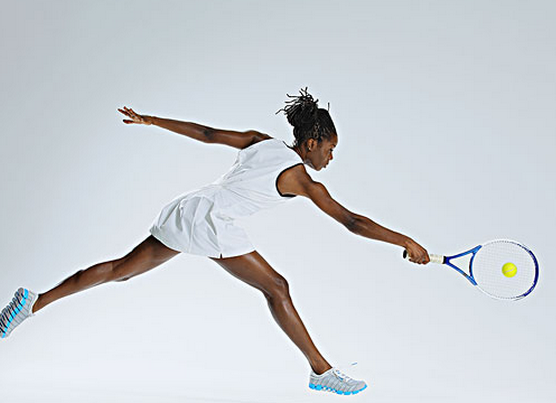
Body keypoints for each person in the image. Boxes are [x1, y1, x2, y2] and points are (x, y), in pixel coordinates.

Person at [0, 88, 430, 395]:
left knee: (120, 271)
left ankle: (32, 302)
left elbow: (207, 134)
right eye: (330, 149)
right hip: (212, 220)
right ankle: (320, 371)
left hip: (192, 206)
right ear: (312, 143)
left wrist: (152, 120)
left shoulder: (263, 143)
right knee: (276, 288)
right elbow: (352, 221)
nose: (331, 157)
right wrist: (405, 240)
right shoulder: (302, 179)